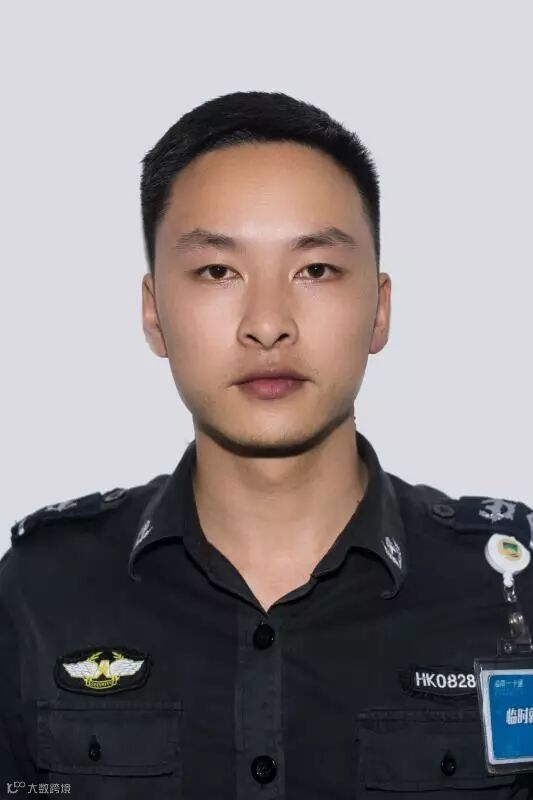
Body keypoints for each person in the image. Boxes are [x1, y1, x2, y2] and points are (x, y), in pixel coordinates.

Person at [1, 90, 532, 799]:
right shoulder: (41, 591)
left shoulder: (508, 588)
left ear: (379, 309)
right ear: (153, 314)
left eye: (315, 270)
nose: (267, 322)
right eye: (218, 271)